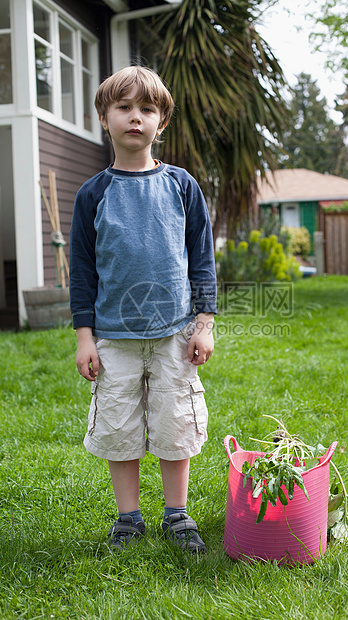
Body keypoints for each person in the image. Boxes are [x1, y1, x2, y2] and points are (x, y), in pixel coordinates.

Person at [69, 66, 216, 553]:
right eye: (124, 108)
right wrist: (85, 337)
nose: (136, 118)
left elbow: (202, 260)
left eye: (147, 110)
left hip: (175, 333)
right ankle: (128, 518)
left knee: (175, 422)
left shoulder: (181, 185)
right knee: (119, 426)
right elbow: (83, 272)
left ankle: (177, 515)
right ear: (103, 118)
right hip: (114, 337)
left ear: (162, 123)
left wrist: (204, 323)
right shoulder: (92, 194)